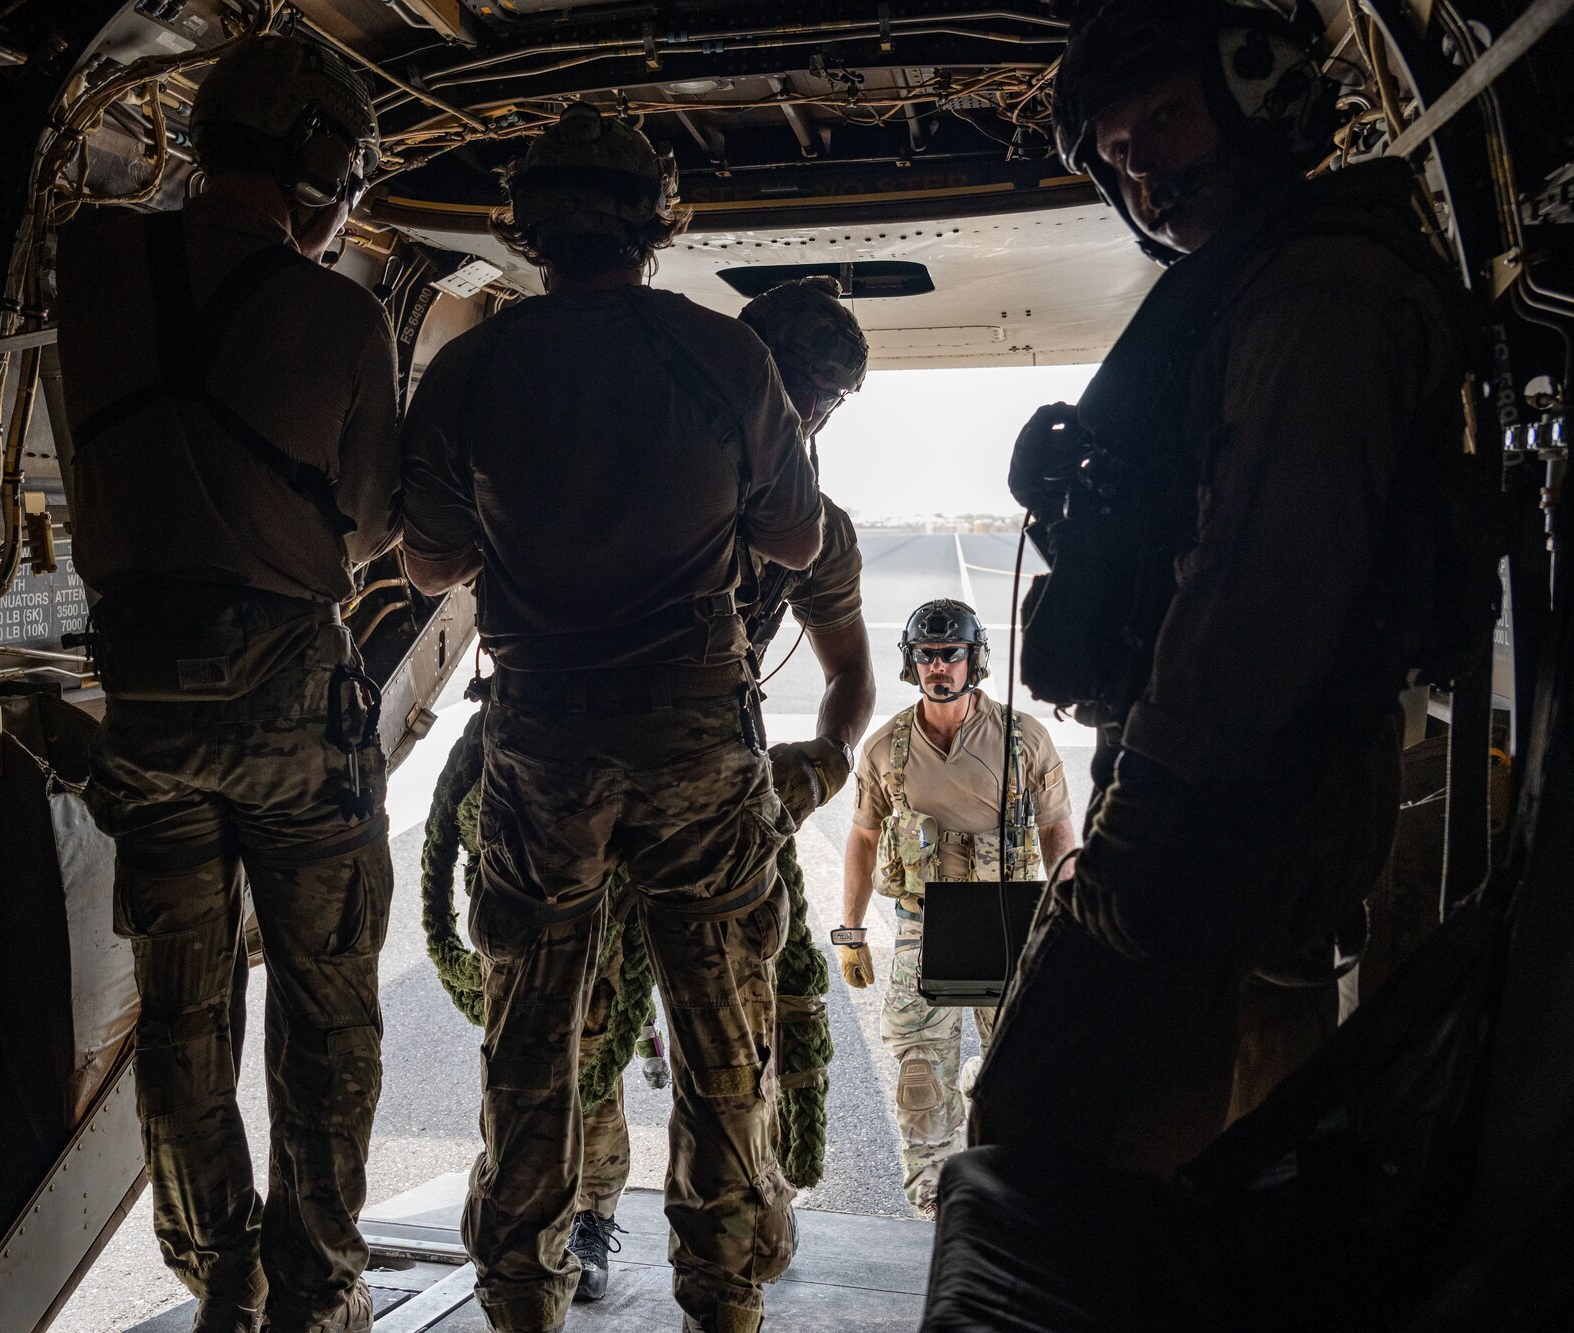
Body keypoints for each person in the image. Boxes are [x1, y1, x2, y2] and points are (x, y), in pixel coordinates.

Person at [964, 0, 1474, 1182]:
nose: (1145, 170)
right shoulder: (1268, 284)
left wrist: (1149, 814)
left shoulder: (1314, 296)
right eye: (1120, 152)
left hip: (1224, 798)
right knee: (1223, 1129)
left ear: (1254, 98)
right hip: (1231, 789)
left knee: (1038, 1143)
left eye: (1167, 117)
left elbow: (1259, 580)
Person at [399, 102, 823, 1333]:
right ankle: (719, 1296)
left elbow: (429, 565)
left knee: (532, 1030)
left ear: (527, 230)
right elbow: (793, 534)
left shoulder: (474, 367)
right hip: (694, 729)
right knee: (719, 1027)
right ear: (655, 225)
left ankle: (520, 1301)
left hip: (542, 736)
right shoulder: (721, 355)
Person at [55, 34, 398, 1333]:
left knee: (186, 1015)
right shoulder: (344, 313)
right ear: (316, 160)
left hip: (143, 705)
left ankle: (223, 1279)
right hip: (288, 712)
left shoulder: (86, 266)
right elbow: (366, 521)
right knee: (325, 1016)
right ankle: (314, 1295)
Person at [566, 275, 876, 1303]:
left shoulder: (815, 528)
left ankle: (739, 1226)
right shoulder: (638, 473)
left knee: (732, 1037)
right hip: (594, 783)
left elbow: (849, 674)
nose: (806, 412)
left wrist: (820, 763)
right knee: (583, 1026)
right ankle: (592, 1212)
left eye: (824, 400)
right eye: (793, 387)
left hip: (720, 795)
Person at [839, 599, 1075, 1218]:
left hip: (1010, 922)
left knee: (1021, 1066)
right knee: (920, 1076)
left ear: (976, 660)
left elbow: (1056, 833)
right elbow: (864, 839)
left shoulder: (1025, 740)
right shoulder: (886, 748)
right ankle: (937, 1192)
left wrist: (1074, 916)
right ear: (911, 663)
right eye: (926, 655)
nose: (937, 667)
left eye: (950, 655)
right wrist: (851, 932)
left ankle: (1007, 1177)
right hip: (924, 928)